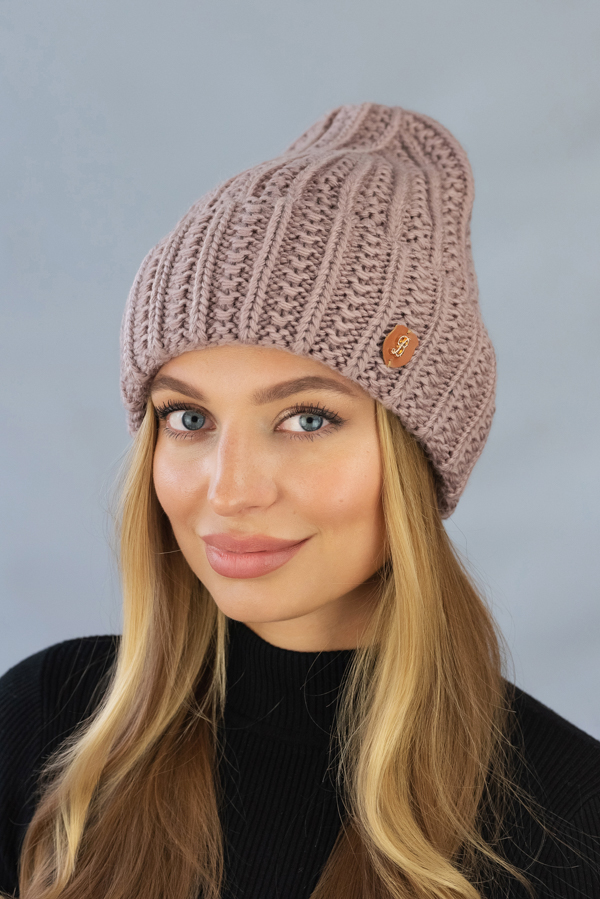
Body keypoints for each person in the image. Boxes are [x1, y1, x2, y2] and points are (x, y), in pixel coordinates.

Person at [0, 102, 598, 899]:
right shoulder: (47, 725)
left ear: (418, 455)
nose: (230, 489)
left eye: (308, 418)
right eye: (188, 417)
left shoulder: (571, 820)